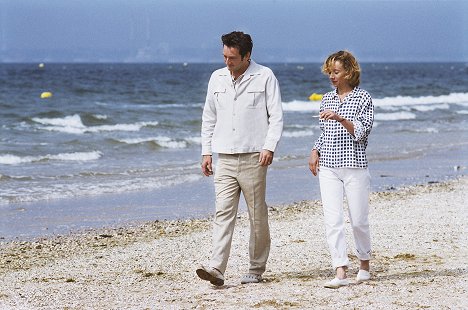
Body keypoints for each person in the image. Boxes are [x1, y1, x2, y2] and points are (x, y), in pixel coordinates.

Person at [196, 31, 283, 286]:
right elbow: (208, 117)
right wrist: (206, 151)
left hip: (254, 157)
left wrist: (269, 147)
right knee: (223, 212)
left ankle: (256, 269)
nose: (227, 62)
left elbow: (276, 116)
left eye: (232, 57)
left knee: (257, 215)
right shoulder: (217, 78)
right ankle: (217, 268)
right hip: (224, 157)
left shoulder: (265, 76)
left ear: (247, 56)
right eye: (224, 56)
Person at [308, 50, 374, 289]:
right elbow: (326, 134)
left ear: (349, 72)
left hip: (354, 165)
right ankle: (341, 271)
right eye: (330, 72)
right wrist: (315, 150)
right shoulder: (326, 98)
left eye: (336, 72)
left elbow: (362, 132)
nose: (332, 76)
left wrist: (340, 118)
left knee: (358, 220)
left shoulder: (363, 98)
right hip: (329, 165)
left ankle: (364, 264)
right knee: (332, 219)